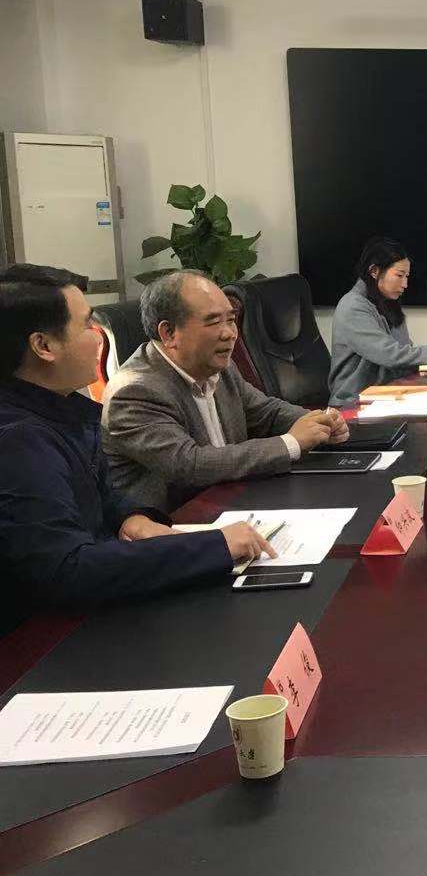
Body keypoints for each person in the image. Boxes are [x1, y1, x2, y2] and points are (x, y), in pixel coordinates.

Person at [0, 264, 275, 634]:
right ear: (44, 346)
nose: (97, 337)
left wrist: (131, 519)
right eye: (86, 325)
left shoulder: (63, 411)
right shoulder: (18, 441)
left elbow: (100, 497)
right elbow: (67, 569)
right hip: (44, 639)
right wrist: (214, 547)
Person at [102, 269, 350, 511]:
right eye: (213, 322)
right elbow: (190, 464)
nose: (230, 334)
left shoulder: (219, 366)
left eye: (231, 320)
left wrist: (318, 422)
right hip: (178, 522)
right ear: (169, 333)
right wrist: (291, 443)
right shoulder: (133, 391)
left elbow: (266, 412)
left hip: (235, 500)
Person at [328, 238, 427, 405]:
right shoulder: (352, 306)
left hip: (390, 393)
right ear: (374, 271)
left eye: (407, 276)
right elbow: (390, 355)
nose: (405, 284)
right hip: (353, 402)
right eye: (399, 275)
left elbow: (405, 353)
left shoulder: (388, 303)